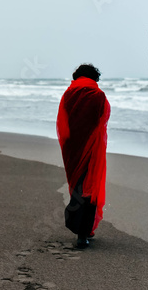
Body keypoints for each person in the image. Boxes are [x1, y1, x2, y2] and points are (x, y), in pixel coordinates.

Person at [56, 64, 110, 248]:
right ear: (94, 78)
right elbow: (103, 118)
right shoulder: (98, 95)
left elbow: (62, 123)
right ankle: (82, 232)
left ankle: (81, 228)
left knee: (78, 184)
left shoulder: (68, 95)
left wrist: (68, 144)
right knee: (88, 187)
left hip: (72, 147)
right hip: (92, 146)